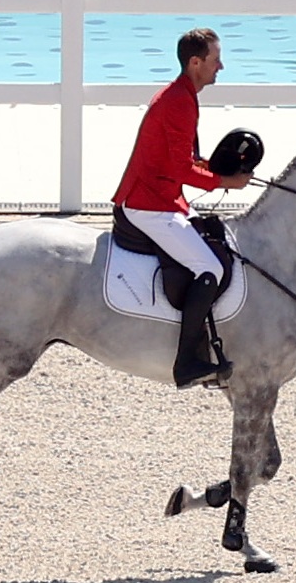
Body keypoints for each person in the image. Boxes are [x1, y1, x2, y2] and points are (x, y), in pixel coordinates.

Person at [111, 27, 262, 389]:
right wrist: (226, 182)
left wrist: (215, 167)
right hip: (148, 204)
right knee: (209, 266)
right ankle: (187, 362)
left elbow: (185, 160)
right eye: (214, 60)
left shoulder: (182, 95)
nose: (220, 67)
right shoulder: (179, 101)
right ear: (196, 62)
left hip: (163, 197)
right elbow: (180, 169)